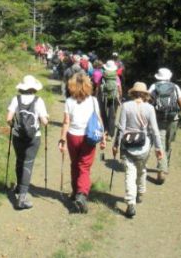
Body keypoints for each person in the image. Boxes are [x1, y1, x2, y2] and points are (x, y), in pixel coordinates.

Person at [113, 82, 164, 218]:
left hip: (127, 145)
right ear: (145, 94)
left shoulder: (125, 106)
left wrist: (116, 144)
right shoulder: (149, 108)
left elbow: (121, 128)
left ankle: (130, 202)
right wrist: (159, 148)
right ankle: (140, 193)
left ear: (133, 93)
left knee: (130, 172)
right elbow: (154, 130)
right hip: (144, 145)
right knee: (141, 170)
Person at [58, 72, 106, 213]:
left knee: (75, 164)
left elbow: (66, 122)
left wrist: (62, 139)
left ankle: (74, 192)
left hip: (73, 136)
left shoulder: (69, 101)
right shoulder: (92, 100)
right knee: (84, 166)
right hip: (88, 137)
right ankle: (82, 194)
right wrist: (103, 136)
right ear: (87, 86)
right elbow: (98, 119)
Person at [6, 75, 49, 210]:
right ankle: (22, 198)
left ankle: (19, 188)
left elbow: (8, 119)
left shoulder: (16, 99)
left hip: (18, 135)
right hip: (33, 136)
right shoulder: (38, 100)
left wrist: (15, 125)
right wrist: (47, 119)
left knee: (19, 160)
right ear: (34, 88)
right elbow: (44, 122)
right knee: (28, 163)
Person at [148, 67, 181, 184]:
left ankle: (162, 168)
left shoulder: (153, 87)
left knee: (160, 144)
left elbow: (147, 102)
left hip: (158, 119)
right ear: (169, 77)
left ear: (158, 77)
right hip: (173, 119)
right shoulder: (175, 87)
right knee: (167, 144)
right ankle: (163, 168)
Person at [97, 60, 121, 139]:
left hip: (103, 97)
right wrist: (120, 96)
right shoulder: (116, 77)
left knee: (103, 113)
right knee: (112, 115)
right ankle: (111, 134)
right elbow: (119, 88)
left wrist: (96, 96)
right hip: (113, 97)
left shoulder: (102, 76)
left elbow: (98, 87)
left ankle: (104, 131)